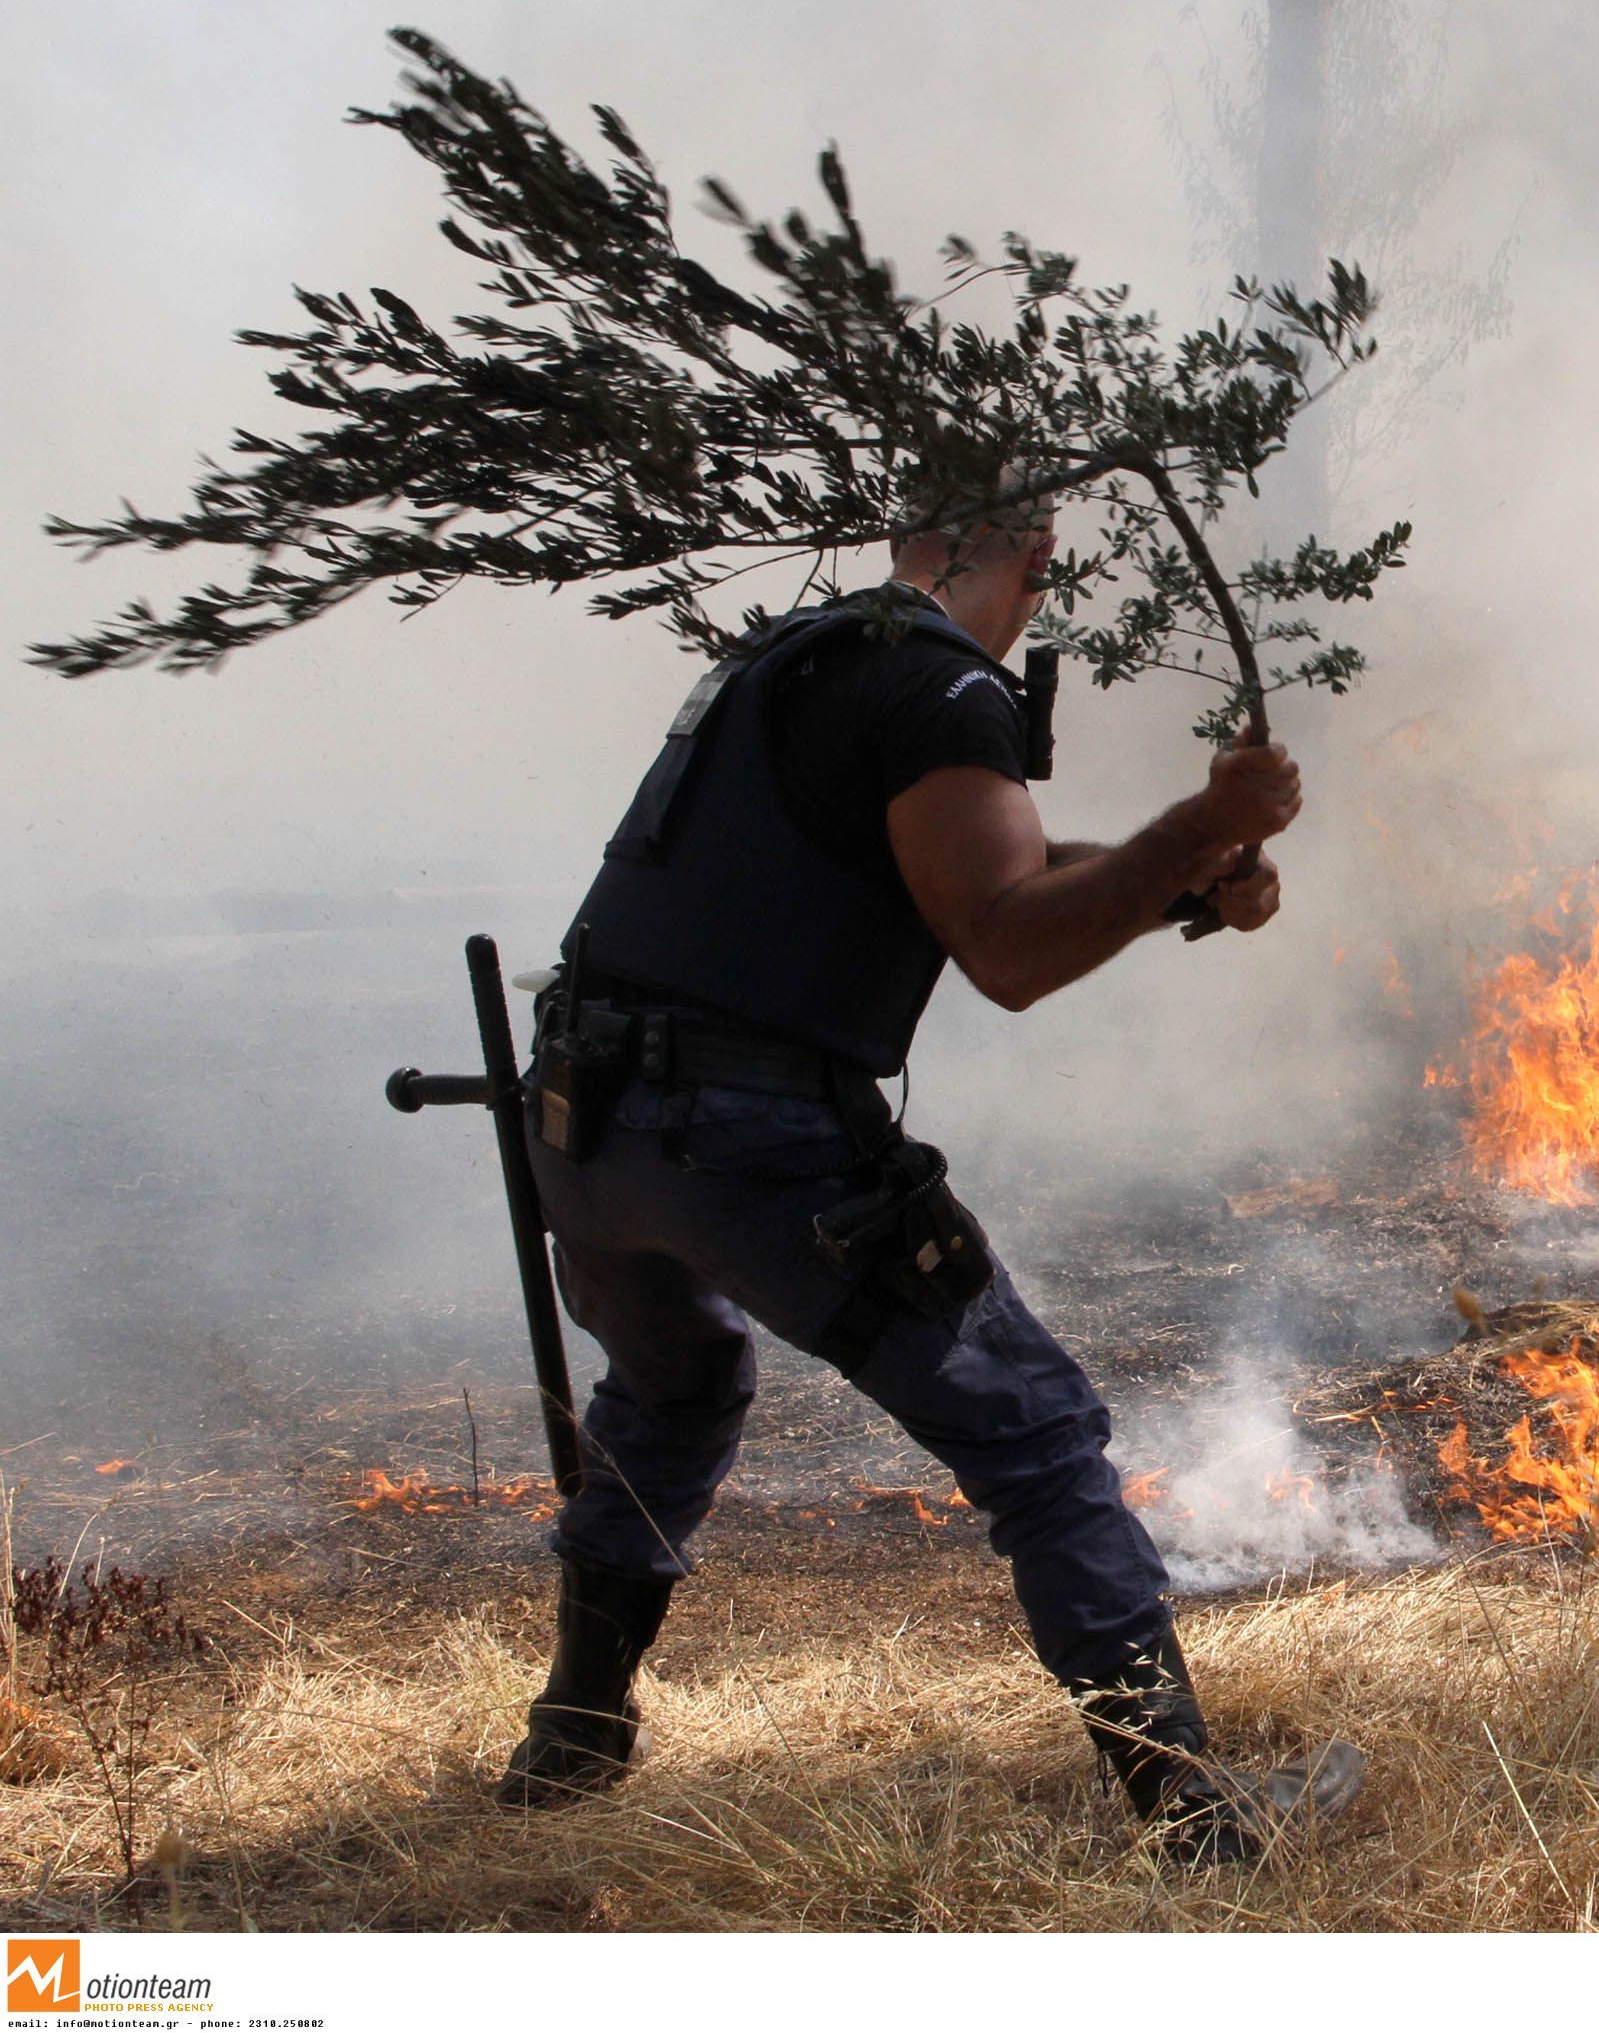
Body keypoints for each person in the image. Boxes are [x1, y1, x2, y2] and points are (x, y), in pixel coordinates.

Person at [497, 475, 1303, 1863]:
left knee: (679, 1383)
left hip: (586, 1125)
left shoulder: (802, 652)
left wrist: (1184, 877)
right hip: (747, 1143)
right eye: (1048, 574)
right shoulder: (940, 690)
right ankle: (1192, 1819)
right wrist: (1196, 824)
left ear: (907, 538)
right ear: (1036, 557)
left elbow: (990, 861)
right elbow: (1004, 942)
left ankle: (571, 1733)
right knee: (1041, 1438)